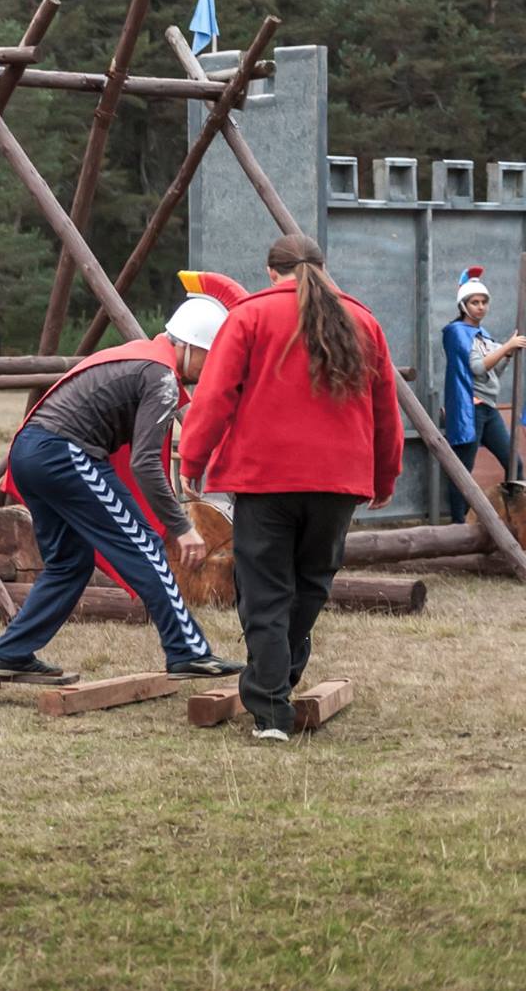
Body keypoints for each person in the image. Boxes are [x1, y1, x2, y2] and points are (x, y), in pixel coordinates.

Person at [181, 235, 402, 742]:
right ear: (324, 269)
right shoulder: (363, 321)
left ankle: (271, 707)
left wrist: (194, 458)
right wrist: (384, 475)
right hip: (339, 480)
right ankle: (279, 681)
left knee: (264, 591)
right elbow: (385, 406)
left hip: (265, 478)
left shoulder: (251, 316)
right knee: (309, 586)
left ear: (269, 272)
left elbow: (215, 395)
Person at [0, 275, 246, 681]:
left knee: (69, 563)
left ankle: (12, 651)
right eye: (212, 359)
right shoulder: (159, 376)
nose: (214, 371)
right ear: (191, 346)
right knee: (145, 547)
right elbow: (144, 463)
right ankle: (187, 651)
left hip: (32, 452)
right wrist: (181, 527)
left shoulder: (145, 357)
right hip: (63, 453)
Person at [440, 265, 524, 522]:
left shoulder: (484, 337)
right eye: (474, 302)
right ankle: (457, 525)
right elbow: (477, 367)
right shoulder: (456, 332)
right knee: (463, 471)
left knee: (515, 464)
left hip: (487, 408)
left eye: (484, 302)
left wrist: (506, 354)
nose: (480, 307)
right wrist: (506, 346)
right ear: (463, 305)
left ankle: (512, 519)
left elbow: (493, 372)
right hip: (470, 408)